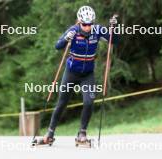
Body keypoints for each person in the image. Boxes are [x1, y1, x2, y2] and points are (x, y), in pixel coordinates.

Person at [37, 5, 118, 144]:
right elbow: (57, 46)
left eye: (90, 24)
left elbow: (114, 40)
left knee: (89, 102)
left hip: (87, 74)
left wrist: (113, 29)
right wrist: (65, 39)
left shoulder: (98, 30)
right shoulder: (73, 31)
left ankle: (82, 133)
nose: (87, 27)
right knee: (62, 103)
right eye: (85, 24)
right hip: (71, 72)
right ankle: (50, 133)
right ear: (79, 22)